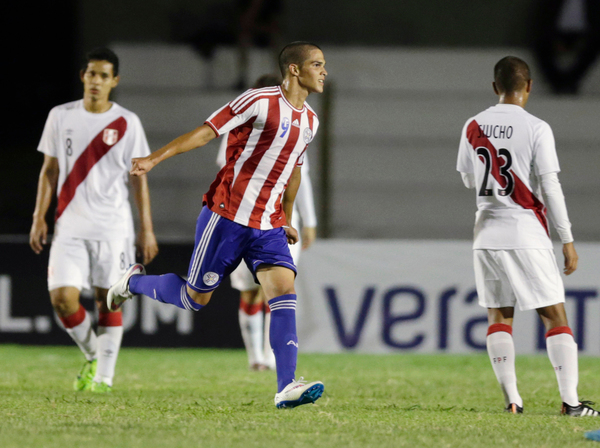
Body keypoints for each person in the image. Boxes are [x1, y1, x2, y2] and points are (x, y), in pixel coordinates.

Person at [108, 42, 327, 409]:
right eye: (317, 64)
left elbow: (293, 173)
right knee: (195, 299)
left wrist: (286, 218)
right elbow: (207, 132)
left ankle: (285, 386)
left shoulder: (311, 121)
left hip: (267, 225)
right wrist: (154, 158)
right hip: (226, 216)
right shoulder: (259, 100)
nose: (323, 71)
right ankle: (131, 282)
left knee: (283, 295)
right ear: (293, 69)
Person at [456, 56, 598, 416]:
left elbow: (469, 178)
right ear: (529, 86)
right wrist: (565, 238)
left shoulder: (473, 124)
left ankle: (512, 402)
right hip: (525, 229)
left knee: (499, 316)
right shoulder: (537, 127)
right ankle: (569, 402)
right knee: (555, 316)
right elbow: (550, 185)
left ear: (494, 87)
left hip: (486, 231)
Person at [30, 48, 159, 393]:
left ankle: (103, 378)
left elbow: (138, 177)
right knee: (62, 299)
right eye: (91, 74)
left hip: (113, 227)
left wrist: (146, 227)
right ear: (82, 77)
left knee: (109, 301)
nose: (96, 81)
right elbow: (50, 171)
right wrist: (38, 217)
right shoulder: (60, 116)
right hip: (69, 225)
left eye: (104, 76)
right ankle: (93, 354)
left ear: (114, 81)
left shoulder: (127, 122)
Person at [216, 73, 318, 371]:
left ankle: (272, 356)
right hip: (243, 219)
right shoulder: (238, 125)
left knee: (280, 288)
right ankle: (255, 358)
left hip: (280, 222)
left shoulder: (299, 126)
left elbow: (302, 177)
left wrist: (308, 220)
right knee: (250, 289)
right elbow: (227, 171)